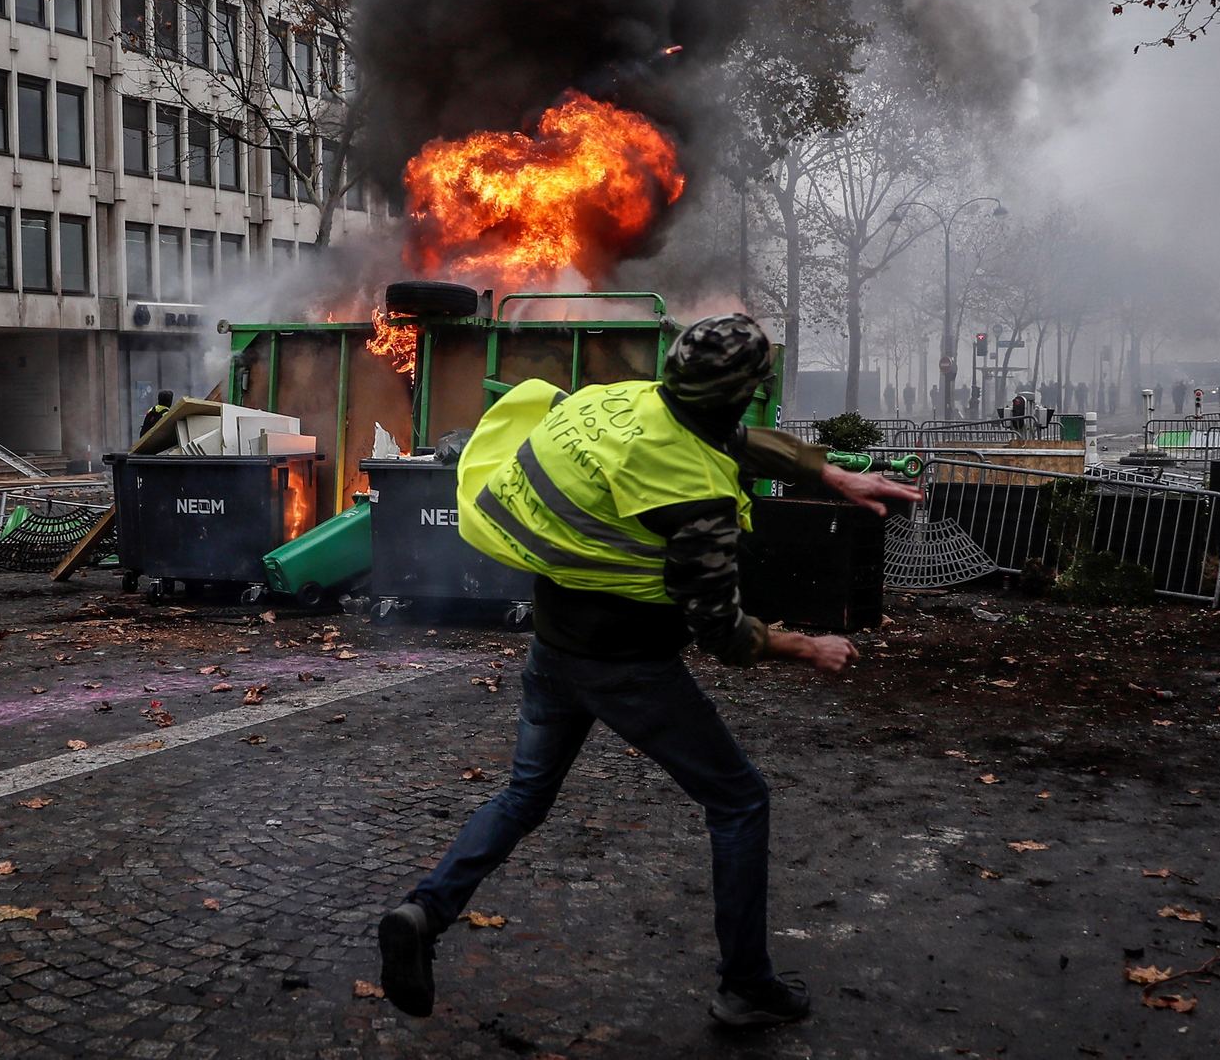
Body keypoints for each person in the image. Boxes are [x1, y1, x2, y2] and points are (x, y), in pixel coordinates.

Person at [375, 314, 922, 1028]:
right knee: (739, 800)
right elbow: (719, 629)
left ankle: (425, 909)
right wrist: (805, 646)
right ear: (741, 393)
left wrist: (832, 472)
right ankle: (745, 986)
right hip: (626, 665)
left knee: (523, 795)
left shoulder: (629, 400)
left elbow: (732, 437)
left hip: (555, 644)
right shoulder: (696, 497)